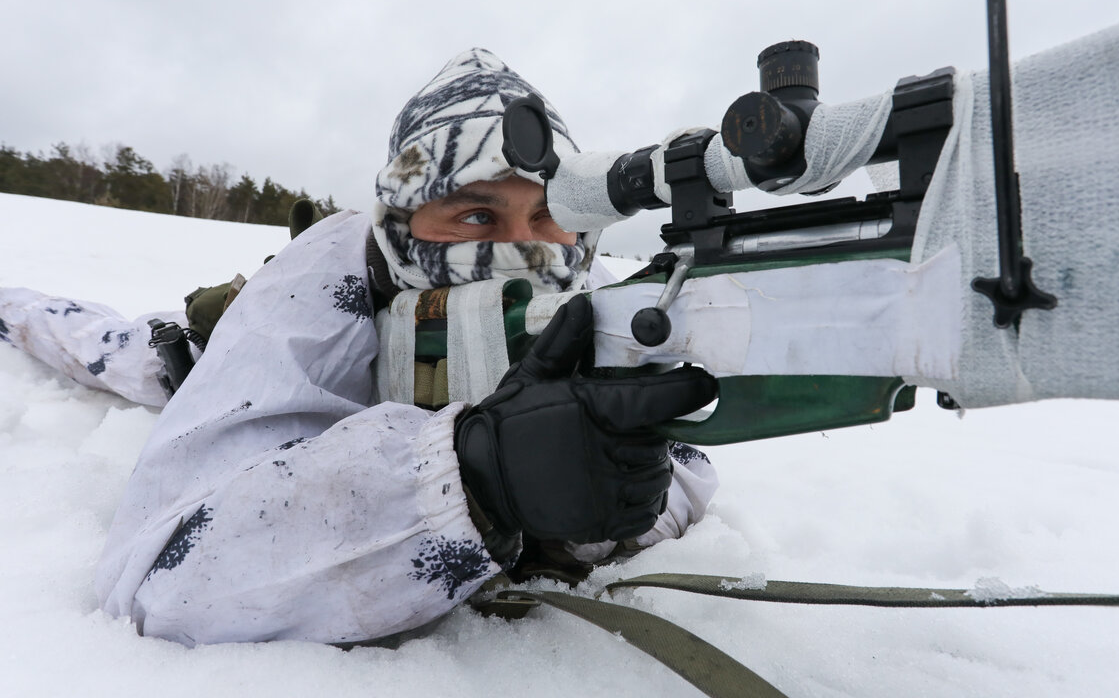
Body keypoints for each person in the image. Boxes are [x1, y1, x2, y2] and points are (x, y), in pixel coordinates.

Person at [0, 49, 718, 646]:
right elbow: (158, 584)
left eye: (548, 216)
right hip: (229, 347)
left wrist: (581, 517)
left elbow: (684, 466)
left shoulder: (587, 292)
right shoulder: (331, 271)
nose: (522, 248)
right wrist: (468, 481)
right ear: (404, 225)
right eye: (475, 214)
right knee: (107, 344)